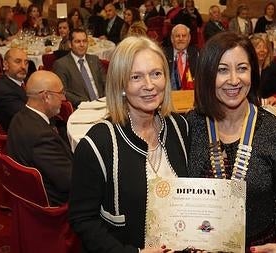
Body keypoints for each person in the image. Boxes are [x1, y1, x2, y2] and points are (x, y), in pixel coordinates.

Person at [69, 35, 189, 253]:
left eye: (156, 74)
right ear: (120, 84)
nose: (150, 85)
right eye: (136, 77)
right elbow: (83, 219)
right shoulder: (98, 144)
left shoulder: (180, 128)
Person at [187, 31, 276, 252]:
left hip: (257, 246)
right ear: (208, 74)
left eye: (242, 68)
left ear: (253, 73)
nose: (233, 80)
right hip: (200, 244)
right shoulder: (190, 126)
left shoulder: (275, 131)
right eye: (222, 70)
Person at [6, 70, 72, 206]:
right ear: (46, 96)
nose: (64, 99)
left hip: (31, 194)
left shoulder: (19, 117)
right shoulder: (41, 137)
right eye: (60, 93)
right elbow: (69, 181)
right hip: (57, 201)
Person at [53, 29, 106, 107]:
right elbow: (63, 91)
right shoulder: (61, 64)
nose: (82, 44)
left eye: (84, 41)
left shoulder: (94, 60)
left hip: (102, 104)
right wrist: (86, 104)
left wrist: (104, 100)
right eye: (77, 41)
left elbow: (106, 82)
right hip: (81, 108)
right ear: (70, 44)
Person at [0, 48, 29, 132]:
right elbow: (27, 117)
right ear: (5, 65)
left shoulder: (25, 81)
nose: (23, 66)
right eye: (18, 61)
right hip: (23, 135)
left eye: (26, 62)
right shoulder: (5, 91)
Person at [164, 24, 198, 90]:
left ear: (189, 38)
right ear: (172, 39)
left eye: (184, 36)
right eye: (177, 36)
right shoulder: (164, 54)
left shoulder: (197, 53)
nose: (181, 39)